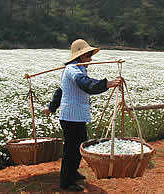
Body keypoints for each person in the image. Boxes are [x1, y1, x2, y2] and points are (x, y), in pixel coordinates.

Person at [44, 39, 122, 191]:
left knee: (79, 145)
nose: (90, 59)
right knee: (71, 150)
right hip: (71, 117)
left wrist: (52, 107)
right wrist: (107, 83)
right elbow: (86, 85)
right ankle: (66, 181)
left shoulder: (79, 69)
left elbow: (60, 91)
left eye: (90, 56)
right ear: (80, 56)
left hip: (77, 116)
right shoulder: (73, 70)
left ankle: (73, 172)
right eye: (88, 56)